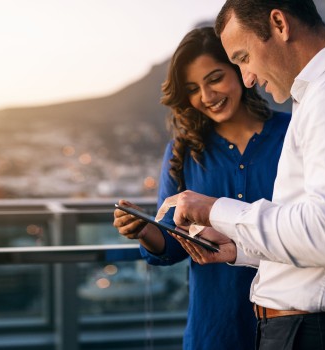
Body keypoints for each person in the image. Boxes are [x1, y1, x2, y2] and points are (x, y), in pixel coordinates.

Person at [165, 1, 325, 350]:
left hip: (320, 335)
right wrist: (239, 247)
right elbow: (318, 235)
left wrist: (214, 209)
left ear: (279, 23)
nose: (247, 77)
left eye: (243, 57)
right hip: (313, 332)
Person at [113, 26, 290, 350]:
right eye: (193, 88)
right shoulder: (184, 153)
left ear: (239, 68)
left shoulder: (292, 134)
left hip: (290, 326)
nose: (206, 96)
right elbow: (171, 245)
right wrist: (142, 227)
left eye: (214, 78)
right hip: (214, 329)